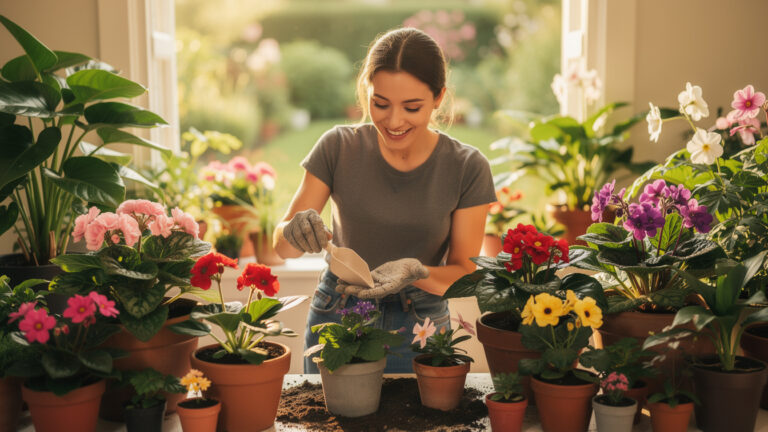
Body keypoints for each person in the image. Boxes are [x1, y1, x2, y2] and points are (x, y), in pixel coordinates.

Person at [272, 27, 496, 373]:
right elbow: (282, 248)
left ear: (439, 97)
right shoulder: (337, 147)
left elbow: (465, 272)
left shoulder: (467, 166)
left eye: (412, 107)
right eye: (380, 104)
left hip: (421, 323)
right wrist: (293, 230)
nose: (393, 121)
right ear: (366, 92)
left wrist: (415, 272)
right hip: (339, 311)